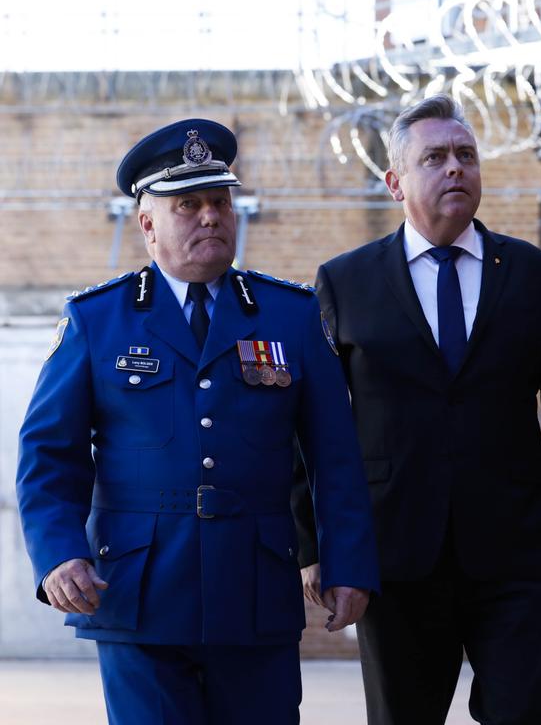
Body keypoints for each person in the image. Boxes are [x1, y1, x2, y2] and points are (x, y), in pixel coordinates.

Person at [17, 118, 380, 725]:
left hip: (253, 592)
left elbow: (335, 457)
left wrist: (348, 563)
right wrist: (58, 553)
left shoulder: (288, 317)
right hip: (138, 593)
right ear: (147, 224)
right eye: (187, 204)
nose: (210, 216)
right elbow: (49, 455)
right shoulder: (97, 320)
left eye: (220, 201)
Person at [292, 93, 541, 725]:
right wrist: (314, 545)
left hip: (512, 552)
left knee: (521, 713)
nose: (455, 168)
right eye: (436, 157)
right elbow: (313, 428)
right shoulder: (346, 282)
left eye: (466, 156)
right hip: (395, 557)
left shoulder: (533, 276)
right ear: (395, 182)